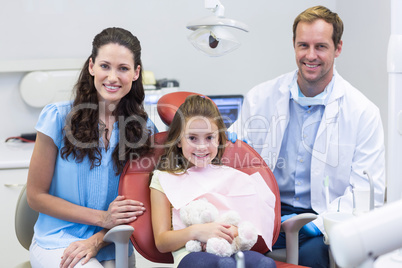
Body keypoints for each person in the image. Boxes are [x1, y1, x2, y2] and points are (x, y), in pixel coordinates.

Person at [229, 5, 385, 268]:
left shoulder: (363, 112)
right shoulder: (260, 98)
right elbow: (231, 161)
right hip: (265, 217)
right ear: (294, 45)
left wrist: (318, 224)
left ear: (338, 49)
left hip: (322, 222)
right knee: (229, 256)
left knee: (316, 258)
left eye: (321, 47)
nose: (310, 55)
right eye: (303, 45)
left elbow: (367, 193)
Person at [27, 27, 156, 268]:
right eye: (105, 66)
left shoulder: (145, 130)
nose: (113, 77)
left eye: (123, 68)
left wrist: (223, 139)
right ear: (91, 67)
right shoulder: (57, 117)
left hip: (114, 243)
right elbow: (35, 196)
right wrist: (103, 218)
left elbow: (142, 203)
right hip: (59, 242)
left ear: (136, 73)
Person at [149, 95, 277, 268]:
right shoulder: (164, 178)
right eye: (192, 138)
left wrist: (236, 232)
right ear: (179, 140)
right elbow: (162, 242)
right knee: (224, 265)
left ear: (219, 139)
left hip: (230, 247)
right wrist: (198, 232)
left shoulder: (231, 176)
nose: (202, 146)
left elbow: (248, 226)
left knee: (265, 264)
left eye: (209, 137)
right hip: (190, 252)